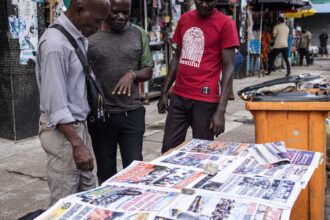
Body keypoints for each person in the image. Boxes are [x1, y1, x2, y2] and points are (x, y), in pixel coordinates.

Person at [36, 0, 110, 206]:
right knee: (65, 201)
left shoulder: (77, 38)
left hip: (78, 127)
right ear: (79, 9)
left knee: (88, 193)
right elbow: (56, 104)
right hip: (64, 134)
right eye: (96, 21)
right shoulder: (55, 45)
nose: (98, 28)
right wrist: (77, 145)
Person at [157, 0, 239, 153]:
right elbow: (176, 57)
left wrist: (221, 111)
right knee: (168, 150)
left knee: (202, 153)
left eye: (210, 1)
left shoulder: (226, 23)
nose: (205, 4)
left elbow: (228, 68)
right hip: (179, 97)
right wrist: (164, 91)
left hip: (205, 101)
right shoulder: (185, 19)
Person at [87, 0, 153, 184]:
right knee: (106, 173)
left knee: (134, 171)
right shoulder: (89, 36)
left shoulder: (138, 33)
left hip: (132, 113)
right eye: (116, 12)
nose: (121, 17)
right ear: (106, 9)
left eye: (126, 12)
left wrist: (132, 75)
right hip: (101, 116)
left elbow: (148, 69)